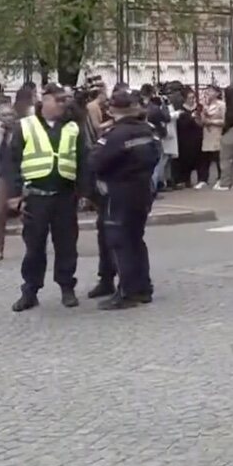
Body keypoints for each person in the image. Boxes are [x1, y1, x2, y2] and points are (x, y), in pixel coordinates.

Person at [5, 83, 86, 312]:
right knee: (34, 247)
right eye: (58, 100)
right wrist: (14, 194)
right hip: (36, 197)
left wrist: (85, 192)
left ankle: (67, 287)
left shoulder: (72, 127)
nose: (63, 104)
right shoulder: (25, 126)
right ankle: (30, 291)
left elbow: (82, 161)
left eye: (65, 100)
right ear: (44, 100)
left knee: (67, 245)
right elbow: (12, 163)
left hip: (64, 196)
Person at [87, 89, 160, 310]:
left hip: (118, 193)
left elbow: (95, 163)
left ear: (112, 110)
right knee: (136, 239)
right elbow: (156, 155)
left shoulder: (114, 135)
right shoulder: (147, 130)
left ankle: (127, 291)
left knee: (120, 241)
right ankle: (143, 288)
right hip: (143, 190)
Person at [0, 102, 18, 262]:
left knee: (29, 212)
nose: (7, 118)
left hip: (22, 174)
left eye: (10, 114)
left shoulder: (20, 130)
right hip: (5, 175)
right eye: (4, 115)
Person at [174, 88, 203, 187]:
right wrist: (191, 118)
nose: (192, 100)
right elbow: (180, 124)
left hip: (197, 136)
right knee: (185, 159)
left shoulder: (198, 108)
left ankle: (201, 179)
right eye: (190, 98)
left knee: (199, 158)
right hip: (185, 138)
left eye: (193, 97)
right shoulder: (180, 110)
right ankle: (186, 179)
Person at [198, 85, 224, 188]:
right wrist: (202, 117)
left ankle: (220, 178)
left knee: (217, 156)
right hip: (207, 134)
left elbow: (224, 120)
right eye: (208, 91)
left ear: (217, 93)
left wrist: (212, 122)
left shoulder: (221, 105)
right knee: (205, 157)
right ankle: (203, 179)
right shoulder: (205, 105)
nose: (209, 92)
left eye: (211, 91)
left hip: (216, 132)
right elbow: (202, 120)